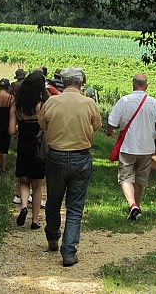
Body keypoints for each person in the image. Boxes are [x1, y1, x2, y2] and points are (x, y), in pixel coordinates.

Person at [38, 67, 102, 267]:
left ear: (63, 83)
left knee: (54, 201)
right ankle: (69, 252)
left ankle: (52, 237)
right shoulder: (89, 103)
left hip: (56, 157)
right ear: (81, 83)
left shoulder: (52, 101)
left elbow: (42, 124)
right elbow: (97, 126)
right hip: (81, 158)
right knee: (75, 208)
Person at [105, 73, 156, 221]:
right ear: (146, 85)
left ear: (133, 84)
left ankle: (132, 204)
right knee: (140, 179)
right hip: (147, 148)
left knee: (126, 177)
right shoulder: (154, 103)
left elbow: (112, 124)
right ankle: (136, 207)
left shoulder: (124, 101)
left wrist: (108, 132)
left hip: (128, 146)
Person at [9, 72, 46, 230]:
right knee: (37, 185)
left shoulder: (16, 106)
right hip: (38, 147)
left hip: (23, 146)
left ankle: (24, 205)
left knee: (24, 181)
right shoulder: (42, 105)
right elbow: (47, 125)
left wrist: (19, 129)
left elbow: (11, 130)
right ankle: (35, 220)